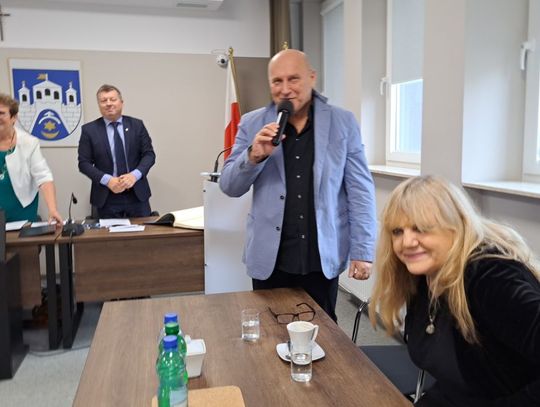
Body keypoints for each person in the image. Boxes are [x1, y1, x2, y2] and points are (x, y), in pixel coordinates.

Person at [219, 49, 377, 321]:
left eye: (293, 79)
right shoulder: (252, 123)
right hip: (270, 259)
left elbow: (360, 191)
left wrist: (362, 251)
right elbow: (229, 186)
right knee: (270, 331)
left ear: (311, 78)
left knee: (324, 332)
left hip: (320, 257)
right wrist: (253, 156)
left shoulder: (343, 122)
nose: (285, 89)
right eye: (277, 81)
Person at [369, 175, 540, 406]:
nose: (407, 242)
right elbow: (456, 380)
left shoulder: (490, 277)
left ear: (456, 226)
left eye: (421, 228)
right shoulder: (423, 276)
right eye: (397, 231)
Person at [78, 84, 155, 218]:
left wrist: (134, 175)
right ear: (99, 105)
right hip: (106, 197)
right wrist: (108, 180)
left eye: (113, 99)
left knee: (143, 232)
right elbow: (83, 163)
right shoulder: (89, 130)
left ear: (121, 102)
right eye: (103, 100)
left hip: (136, 195)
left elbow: (149, 155)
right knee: (107, 233)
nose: (108, 103)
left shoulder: (137, 125)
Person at [0, 93, 62, 224]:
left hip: (21, 214)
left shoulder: (29, 143)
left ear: (14, 117)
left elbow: (44, 177)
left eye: (1, 113)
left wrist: (52, 209)